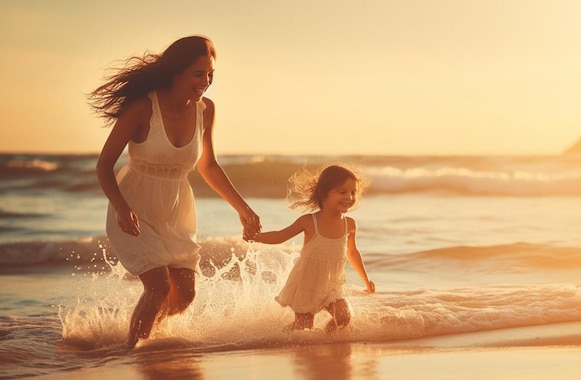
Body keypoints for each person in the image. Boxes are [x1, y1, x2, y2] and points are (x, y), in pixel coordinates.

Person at [89, 35, 261, 348]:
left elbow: (208, 166)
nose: (206, 82)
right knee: (156, 288)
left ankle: (147, 335)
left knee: (184, 295)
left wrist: (243, 208)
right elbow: (104, 166)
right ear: (175, 72)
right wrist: (121, 207)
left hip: (176, 209)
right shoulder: (143, 108)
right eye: (199, 74)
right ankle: (132, 352)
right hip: (134, 207)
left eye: (210, 74)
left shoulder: (206, 110)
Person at [245, 165, 375, 332]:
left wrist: (366, 280)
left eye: (353, 192)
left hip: (331, 284)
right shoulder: (309, 221)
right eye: (342, 192)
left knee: (343, 317)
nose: (349, 197)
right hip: (307, 284)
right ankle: (278, 337)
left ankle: (328, 341)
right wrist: (255, 236)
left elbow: (352, 252)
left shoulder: (349, 224)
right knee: (304, 326)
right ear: (323, 193)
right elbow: (280, 236)